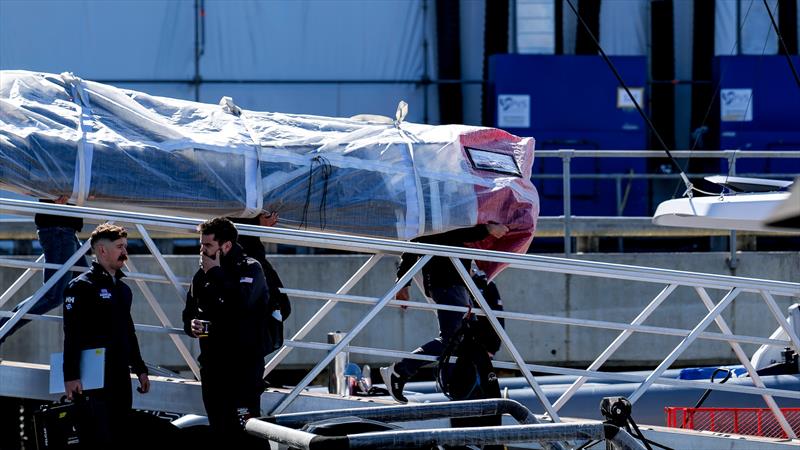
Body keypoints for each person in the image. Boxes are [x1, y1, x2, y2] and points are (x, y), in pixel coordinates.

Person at [380, 223, 509, 403]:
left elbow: (415, 243)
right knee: (451, 338)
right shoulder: (441, 215)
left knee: (468, 339)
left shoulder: (434, 213)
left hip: (454, 282)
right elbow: (449, 235)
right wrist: (486, 230)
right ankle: (400, 371)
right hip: (447, 282)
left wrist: (403, 282)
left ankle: (483, 395)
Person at [182, 217, 271, 447]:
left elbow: (241, 305)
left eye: (208, 246)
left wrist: (216, 274)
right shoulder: (201, 274)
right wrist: (192, 326)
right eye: (201, 245)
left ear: (226, 246)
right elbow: (188, 313)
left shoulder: (251, 268)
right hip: (213, 366)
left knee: (248, 431)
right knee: (220, 430)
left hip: (243, 367)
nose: (202, 251)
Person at [62, 223, 150, 446]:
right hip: (92, 378)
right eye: (120, 246)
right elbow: (71, 333)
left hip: (120, 376)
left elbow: (129, 331)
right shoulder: (80, 287)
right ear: (102, 250)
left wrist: (140, 368)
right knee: (96, 439)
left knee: (121, 435)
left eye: (125, 246)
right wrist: (70, 375)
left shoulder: (123, 289)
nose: (125, 252)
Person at [0, 196, 88, 344]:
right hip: (59, 229)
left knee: (87, 290)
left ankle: (87, 346)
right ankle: (2, 330)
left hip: (64, 229)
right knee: (53, 296)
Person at [230, 212, 291, 354]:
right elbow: (196, 325)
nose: (202, 250)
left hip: (236, 352)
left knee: (279, 307)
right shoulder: (204, 280)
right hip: (221, 356)